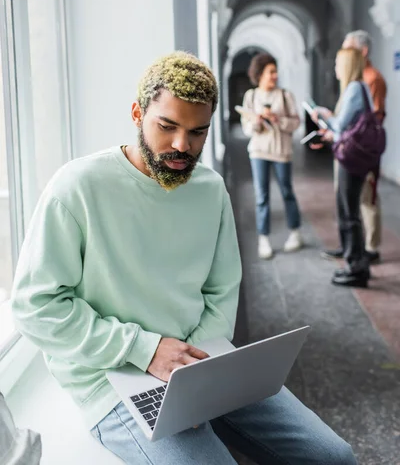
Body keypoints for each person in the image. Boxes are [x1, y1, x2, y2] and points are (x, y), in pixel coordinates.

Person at [11, 52, 356, 464]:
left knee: (334, 456)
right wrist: (145, 349)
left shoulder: (210, 190)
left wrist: (192, 380)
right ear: (138, 113)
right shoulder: (77, 187)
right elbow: (35, 306)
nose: (182, 146)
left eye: (197, 132)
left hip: (201, 361)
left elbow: (221, 289)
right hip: (112, 377)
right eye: (167, 126)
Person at [313, 48, 374, 287]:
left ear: (347, 64)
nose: (335, 67)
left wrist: (324, 115)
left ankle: (356, 267)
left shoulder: (354, 89)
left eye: (338, 63)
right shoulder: (359, 88)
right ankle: (356, 264)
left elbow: (340, 125)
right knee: (349, 211)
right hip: (354, 156)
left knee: (348, 213)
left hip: (351, 159)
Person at [241, 53, 303, 260]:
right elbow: (247, 129)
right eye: (271, 72)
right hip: (258, 152)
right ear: (260, 74)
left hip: (281, 152)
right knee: (262, 196)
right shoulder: (251, 96)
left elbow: (295, 123)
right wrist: (257, 122)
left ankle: (295, 233)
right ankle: (264, 239)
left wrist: (278, 120)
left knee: (287, 192)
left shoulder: (285, 95)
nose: (275, 75)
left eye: (276, 71)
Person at [341, 31, 387, 263]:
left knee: (367, 198)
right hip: (351, 145)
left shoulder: (372, 79)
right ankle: (354, 245)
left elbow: (373, 118)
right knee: (353, 199)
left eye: (349, 49)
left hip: (363, 148)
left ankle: (371, 247)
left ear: (363, 51)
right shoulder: (357, 80)